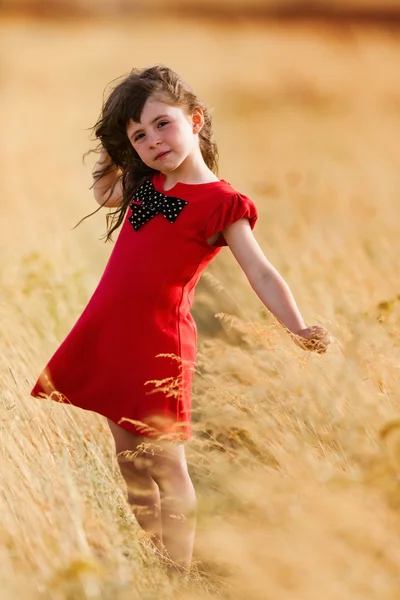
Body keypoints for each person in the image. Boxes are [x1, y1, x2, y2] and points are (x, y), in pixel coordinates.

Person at [31, 65, 331, 575]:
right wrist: (116, 143)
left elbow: (260, 271)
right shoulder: (149, 184)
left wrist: (298, 328)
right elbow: (104, 193)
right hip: (110, 336)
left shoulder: (222, 203)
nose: (153, 141)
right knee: (130, 463)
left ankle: (179, 573)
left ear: (195, 120)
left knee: (166, 467)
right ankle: (156, 562)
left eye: (161, 124)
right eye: (139, 136)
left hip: (157, 343)